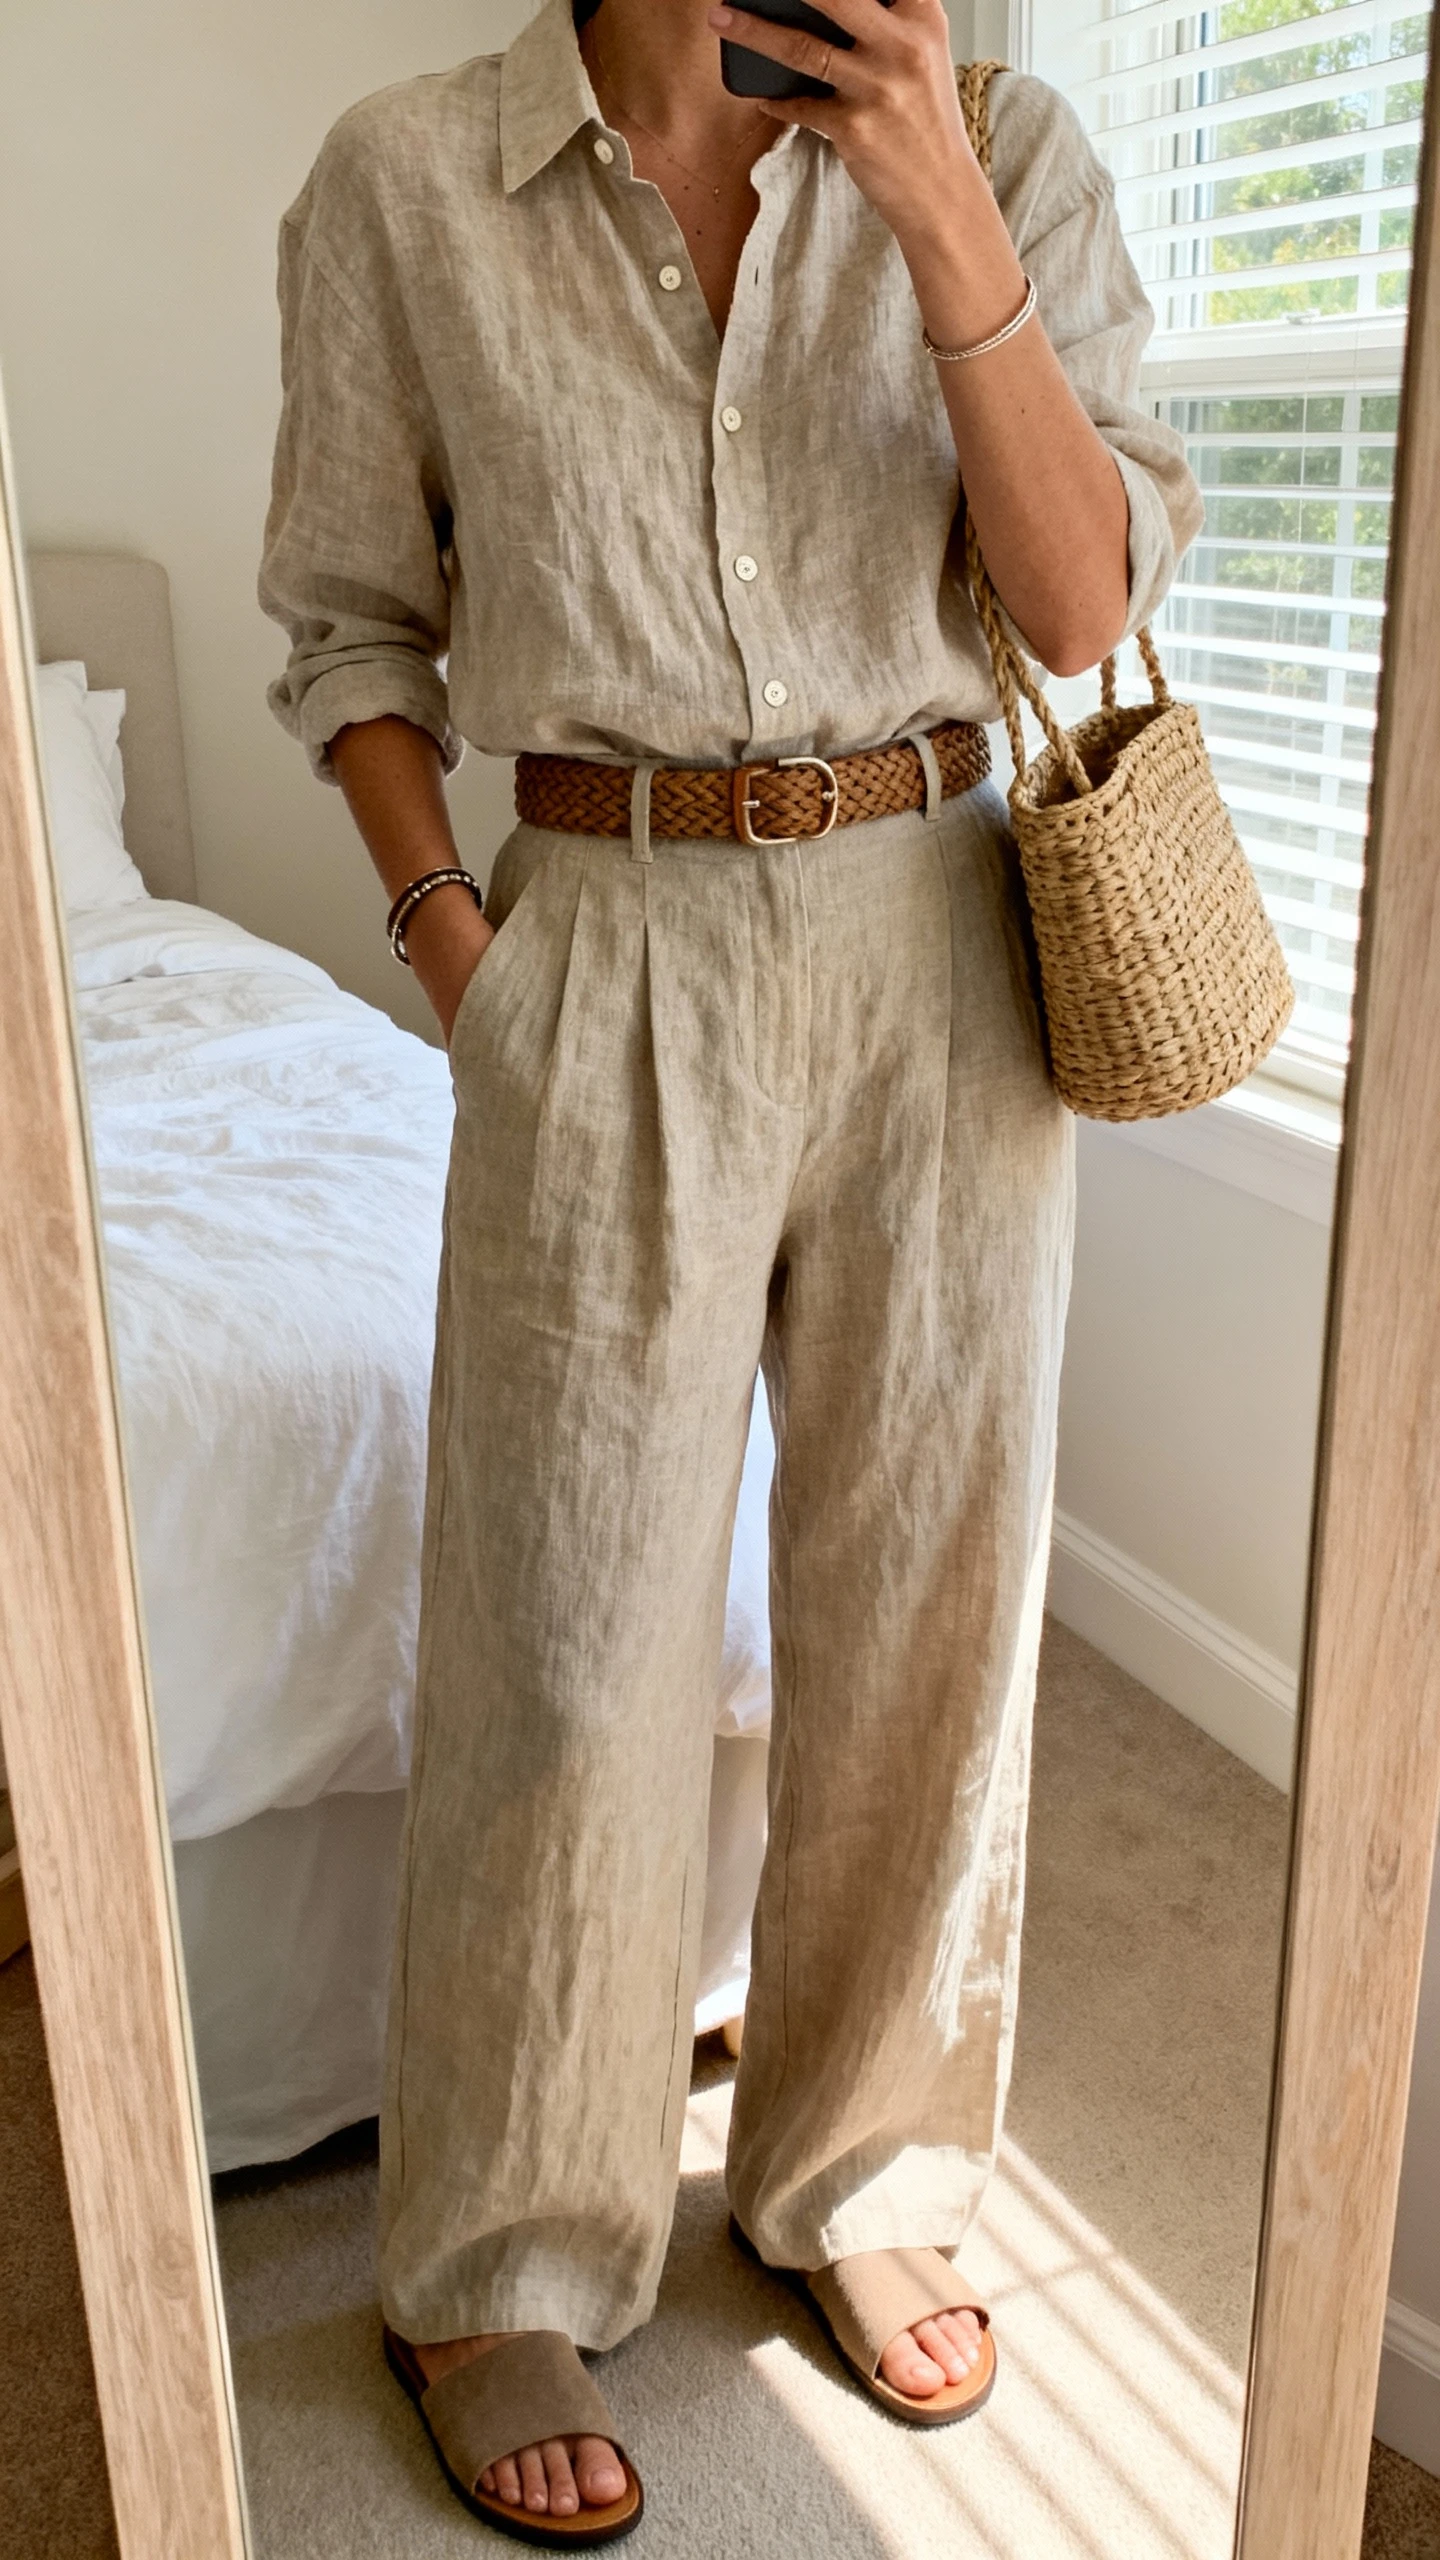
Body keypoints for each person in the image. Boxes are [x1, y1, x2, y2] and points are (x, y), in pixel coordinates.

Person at [259, 0, 1202, 2540]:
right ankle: (496, 2248)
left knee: (927, 1600)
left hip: (942, 937)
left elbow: (1087, 587)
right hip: (607, 932)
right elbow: (356, 626)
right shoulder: (405, 182)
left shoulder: (1000, 141)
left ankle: (866, 2167)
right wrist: (467, 947)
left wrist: (938, 215)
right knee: (564, 1634)